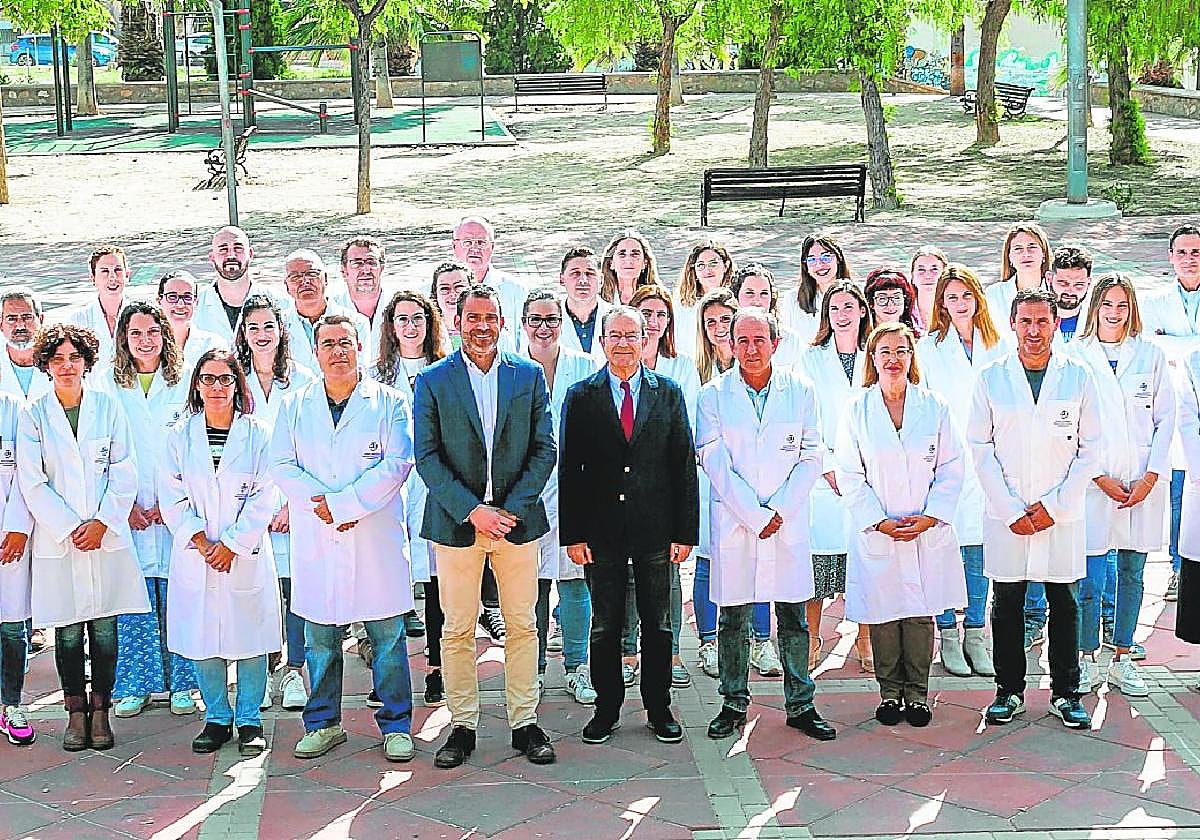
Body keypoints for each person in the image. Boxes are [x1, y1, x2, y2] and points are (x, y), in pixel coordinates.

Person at [414, 285, 557, 768]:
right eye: (472, 317)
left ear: (502, 322)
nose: (481, 326)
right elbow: (427, 456)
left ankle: (524, 722)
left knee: (522, 625)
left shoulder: (528, 375)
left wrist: (509, 510)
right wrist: (473, 509)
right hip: (458, 524)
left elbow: (545, 448)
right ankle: (462, 725)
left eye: (490, 317)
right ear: (458, 321)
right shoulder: (433, 380)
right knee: (456, 630)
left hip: (516, 524)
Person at [270, 314, 417, 763]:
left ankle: (396, 726)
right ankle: (324, 723)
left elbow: (397, 464)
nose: (337, 351)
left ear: (360, 347)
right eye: (328, 343)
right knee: (321, 641)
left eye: (345, 342)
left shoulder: (389, 403)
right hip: (318, 537)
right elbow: (281, 464)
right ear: (315, 353)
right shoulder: (295, 405)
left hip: (372, 536)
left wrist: (345, 506)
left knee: (388, 639)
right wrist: (327, 507)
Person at [560, 306, 699, 746]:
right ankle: (607, 708)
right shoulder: (582, 396)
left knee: (657, 624)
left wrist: (684, 533)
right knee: (605, 623)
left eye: (631, 335)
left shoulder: (668, 393)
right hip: (601, 534)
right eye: (614, 335)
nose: (623, 343)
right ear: (602, 341)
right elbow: (571, 470)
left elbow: (682, 466)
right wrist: (574, 534)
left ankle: (658, 709)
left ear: (645, 340)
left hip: (656, 531)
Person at [697, 307, 836, 742]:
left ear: (775, 343)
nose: (752, 349)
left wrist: (778, 510)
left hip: (787, 522)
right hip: (738, 522)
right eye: (743, 340)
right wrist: (756, 515)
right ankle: (733, 703)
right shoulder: (713, 395)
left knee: (793, 618)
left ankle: (800, 703)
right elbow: (713, 460)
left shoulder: (802, 390)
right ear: (730, 344)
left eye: (760, 340)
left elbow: (812, 454)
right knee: (733, 619)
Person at [969, 288, 1101, 730]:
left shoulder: (1077, 377)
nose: (1033, 330)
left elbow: (1091, 448)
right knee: (1006, 601)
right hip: (1007, 513)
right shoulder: (991, 378)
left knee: (1063, 600)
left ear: (1055, 324)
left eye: (1042, 322)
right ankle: (1009, 691)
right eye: (1025, 321)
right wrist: (1010, 509)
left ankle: (1066, 692)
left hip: (1060, 514)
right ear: (1012, 324)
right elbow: (979, 446)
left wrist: (1055, 507)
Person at [17, 324, 149, 751]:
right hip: (61, 540)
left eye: (75, 358)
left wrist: (102, 522)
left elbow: (124, 469)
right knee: (69, 633)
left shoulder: (107, 407)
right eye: (58, 359)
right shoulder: (34, 413)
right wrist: (71, 527)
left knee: (106, 630)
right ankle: (76, 713)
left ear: (87, 362)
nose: (67, 366)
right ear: (46, 365)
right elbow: (32, 481)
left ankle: (101, 711)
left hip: (105, 536)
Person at [837, 323, 966, 726]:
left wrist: (930, 515)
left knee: (920, 611)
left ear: (912, 357)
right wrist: (878, 521)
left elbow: (952, 465)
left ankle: (919, 695)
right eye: (884, 351)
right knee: (883, 611)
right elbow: (849, 472)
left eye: (901, 351)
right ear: (872, 359)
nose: (893, 359)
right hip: (880, 530)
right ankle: (890, 693)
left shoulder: (935, 406)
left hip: (925, 529)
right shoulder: (856, 409)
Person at [160, 349, 281, 756]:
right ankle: (216, 716)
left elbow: (267, 493)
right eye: (208, 379)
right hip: (197, 555)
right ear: (196, 384)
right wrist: (201, 541)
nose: (216, 387)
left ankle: (249, 717)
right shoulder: (179, 436)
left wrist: (232, 544)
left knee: (249, 637)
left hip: (242, 554)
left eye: (225, 379)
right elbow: (171, 496)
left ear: (237, 385)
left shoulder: (259, 434)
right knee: (202, 637)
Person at [1069, 274, 1172, 698]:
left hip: (1141, 487)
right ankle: (1088, 657)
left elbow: (1166, 419)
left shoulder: (1150, 355)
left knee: (1132, 573)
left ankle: (1123, 657)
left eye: (1122, 305)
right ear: (1095, 307)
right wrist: (1100, 478)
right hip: (1096, 487)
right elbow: (1068, 424)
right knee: (1090, 578)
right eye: (1107, 304)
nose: (1114, 313)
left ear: (1133, 310)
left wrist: (1150, 477)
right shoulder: (1075, 355)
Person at [99, 302, 200, 719]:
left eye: (153, 332)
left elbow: (192, 446)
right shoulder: (107, 385)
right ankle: (136, 685)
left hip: (174, 506)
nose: (146, 341)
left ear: (165, 335)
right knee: (135, 601)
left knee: (180, 597)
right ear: (124, 337)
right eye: (136, 333)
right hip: (128, 510)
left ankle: (183, 684)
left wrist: (169, 502)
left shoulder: (182, 383)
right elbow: (103, 449)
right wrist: (124, 507)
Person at [916, 265, 1007, 678]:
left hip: (990, 457)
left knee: (979, 550)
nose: (959, 304)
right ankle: (947, 634)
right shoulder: (929, 347)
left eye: (966, 295)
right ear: (941, 303)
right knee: (944, 548)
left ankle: (975, 633)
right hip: (947, 460)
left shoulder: (999, 343)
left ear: (978, 299)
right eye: (951, 297)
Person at [233, 294, 316, 713]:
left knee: (296, 591)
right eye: (253, 328)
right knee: (258, 593)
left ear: (281, 331)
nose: (262, 335)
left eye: (269, 326)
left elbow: (311, 448)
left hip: (294, 508)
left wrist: (290, 505)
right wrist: (257, 511)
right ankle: (264, 672)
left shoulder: (303, 381)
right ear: (243, 335)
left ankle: (294, 673)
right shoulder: (233, 381)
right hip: (248, 509)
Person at [370, 289, 450, 705]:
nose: (410, 326)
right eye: (402, 319)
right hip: (391, 490)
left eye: (418, 318)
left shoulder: (447, 368)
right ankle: (386, 677)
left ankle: (437, 668)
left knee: (437, 583)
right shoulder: (376, 376)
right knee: (391, 586)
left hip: (435, 487)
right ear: (390, 326)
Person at [520, 288, 598, 703]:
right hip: (527, 495)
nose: (544, 328)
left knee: (574, 583)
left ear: (562, 324)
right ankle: (531, 670)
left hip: (575, 493)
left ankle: (576, 666)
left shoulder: (586, 368)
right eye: (536, 320)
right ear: (523, 325)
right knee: (530, 587)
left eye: (552, 320)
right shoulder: (511, 370)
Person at [625, 285, 703, 688]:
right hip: (622, 490)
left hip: (664, 485)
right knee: (624, 576)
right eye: (646, 314)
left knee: (667, 575)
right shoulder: (616, 364)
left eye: (660, 315)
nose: (653, 322)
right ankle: (626, 651)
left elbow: (684, 431)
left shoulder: (682, 367)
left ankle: (669, 654)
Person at [799, 281, 875, 672]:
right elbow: (804, 418)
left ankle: (864, 639)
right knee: (818, 571)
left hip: (867, 476)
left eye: (849, 307)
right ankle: (812, 640)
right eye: (834, 309)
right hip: (823, 481)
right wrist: (828, 465)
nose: (842, 316)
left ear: (863, 311)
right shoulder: (811, 359)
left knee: (863, 569)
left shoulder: (875, 356)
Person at [1136, 224, 1200, 603]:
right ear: (1170, 257)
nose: (1190, 259)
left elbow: (1175, 351)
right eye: (1183, 252)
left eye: (1196, 251)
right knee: (1179, 494)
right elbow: (1152, 346)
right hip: (1173, 409)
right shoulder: (1155, 302)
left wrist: (1176, 346)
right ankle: (1179, 569)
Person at [0, 390, 35, 745]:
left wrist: (18, 529)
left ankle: (11, 704)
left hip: (9, 538)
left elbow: (28, 477)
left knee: (12, 629)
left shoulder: (15, 411)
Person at [282, 250, 371, 373]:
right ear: (286, 286)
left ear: (325, 279)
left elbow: (361, 371)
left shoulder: (357, 323)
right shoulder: (277, 326)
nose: (305, 281)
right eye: (295, 277)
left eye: (312, 274)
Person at [451, 217, 526, 351]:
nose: (475, 249)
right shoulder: (435, 290)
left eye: (481, 242)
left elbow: (525, 343)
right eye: (467, 242)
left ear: (492, 247)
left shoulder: (516, 290)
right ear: (454, 246)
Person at [65, 245, 130, 367]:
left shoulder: (141, 316)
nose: (112, 277)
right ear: (93, 278)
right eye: (105, 271)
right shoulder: (77, 320)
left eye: (118, 270)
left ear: (127, 274)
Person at [730, 264, 805, 369]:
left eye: (764, 293)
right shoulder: (724, 338)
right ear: (736, 296)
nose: (757, 301)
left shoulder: (790, 340)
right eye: (749, 293)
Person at [781, 234, 852, 344]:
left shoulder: (857, 295)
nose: (820, 265)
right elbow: (785, 343)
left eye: (826, 257)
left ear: (838, 258)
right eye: (812, 259)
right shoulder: (792, 299)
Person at [673, 240, 735, 358]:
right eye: (701, 265)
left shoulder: (736, 301)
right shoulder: (682, 306)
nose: (707, 270)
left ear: (725, 266)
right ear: (694, 271)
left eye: (713, 263)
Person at [984, 222, 1051, 329]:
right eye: (1018, 248)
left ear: (1044, 253)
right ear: (1009, 257)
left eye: (1032, 247)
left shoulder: (1058, 292)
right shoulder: (993, 295)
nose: (1026, 254)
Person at [157, 271, 223, 372]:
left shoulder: (213, 344)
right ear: (159, 301)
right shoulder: (148, 344)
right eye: (172, 297)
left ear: (196, 302)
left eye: (187, 297)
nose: (180, 304)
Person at [342, 236, 393, 358]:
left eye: (371, 262)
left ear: (381, 268)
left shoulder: (400, 306)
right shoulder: (331, 310)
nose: (365, 269)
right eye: (357, 263)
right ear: (344, 271)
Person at [558, 246, 611, 362]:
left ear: (601, 280)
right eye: (575, 273)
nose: (583, 280)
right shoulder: (549, 318)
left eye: (589, 273)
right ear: (562, 279)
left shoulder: (616, 316)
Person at [0, 288, 50, 405]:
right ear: (1, 324)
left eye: (27, 317)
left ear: (40, 320)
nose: (20, 325)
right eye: (11, 319)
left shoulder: (60, 355)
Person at [600, 229, 660, 306]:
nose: (628, 260)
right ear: (611, 263)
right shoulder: (597, 297)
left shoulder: (659, 297)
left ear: (645, 263)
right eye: (622, 254)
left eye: (635, 254)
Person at [1048, 246, 1094, 343]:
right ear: (1049, 279)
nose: (1070, 291)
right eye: (1063, 283)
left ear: (1088, 283)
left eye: (1079, 285)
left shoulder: (1099, 320)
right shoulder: (1029, 317)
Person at [696, 289, 738, 386]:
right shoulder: (696, 369)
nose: (719, 327)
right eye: (711, 322)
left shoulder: (752, 360)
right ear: (703, 328)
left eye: (726, 319)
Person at [430, 261, 474, 351]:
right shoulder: (426, 331)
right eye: (444, 288)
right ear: (435, 294)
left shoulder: (490, 327)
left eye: (459, 287)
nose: (452, 294)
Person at [864, 268, 921, 335]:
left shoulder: (919, 340)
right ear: (871, 303)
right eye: (882, 299)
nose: (890, 305)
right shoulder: (857, 338)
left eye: (896, 298)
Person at [910, 246, 948, 333]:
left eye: (934, 269)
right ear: (912, 276)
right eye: (921, 270)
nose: (927, 276)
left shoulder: (955, 308)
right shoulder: (903, 310)